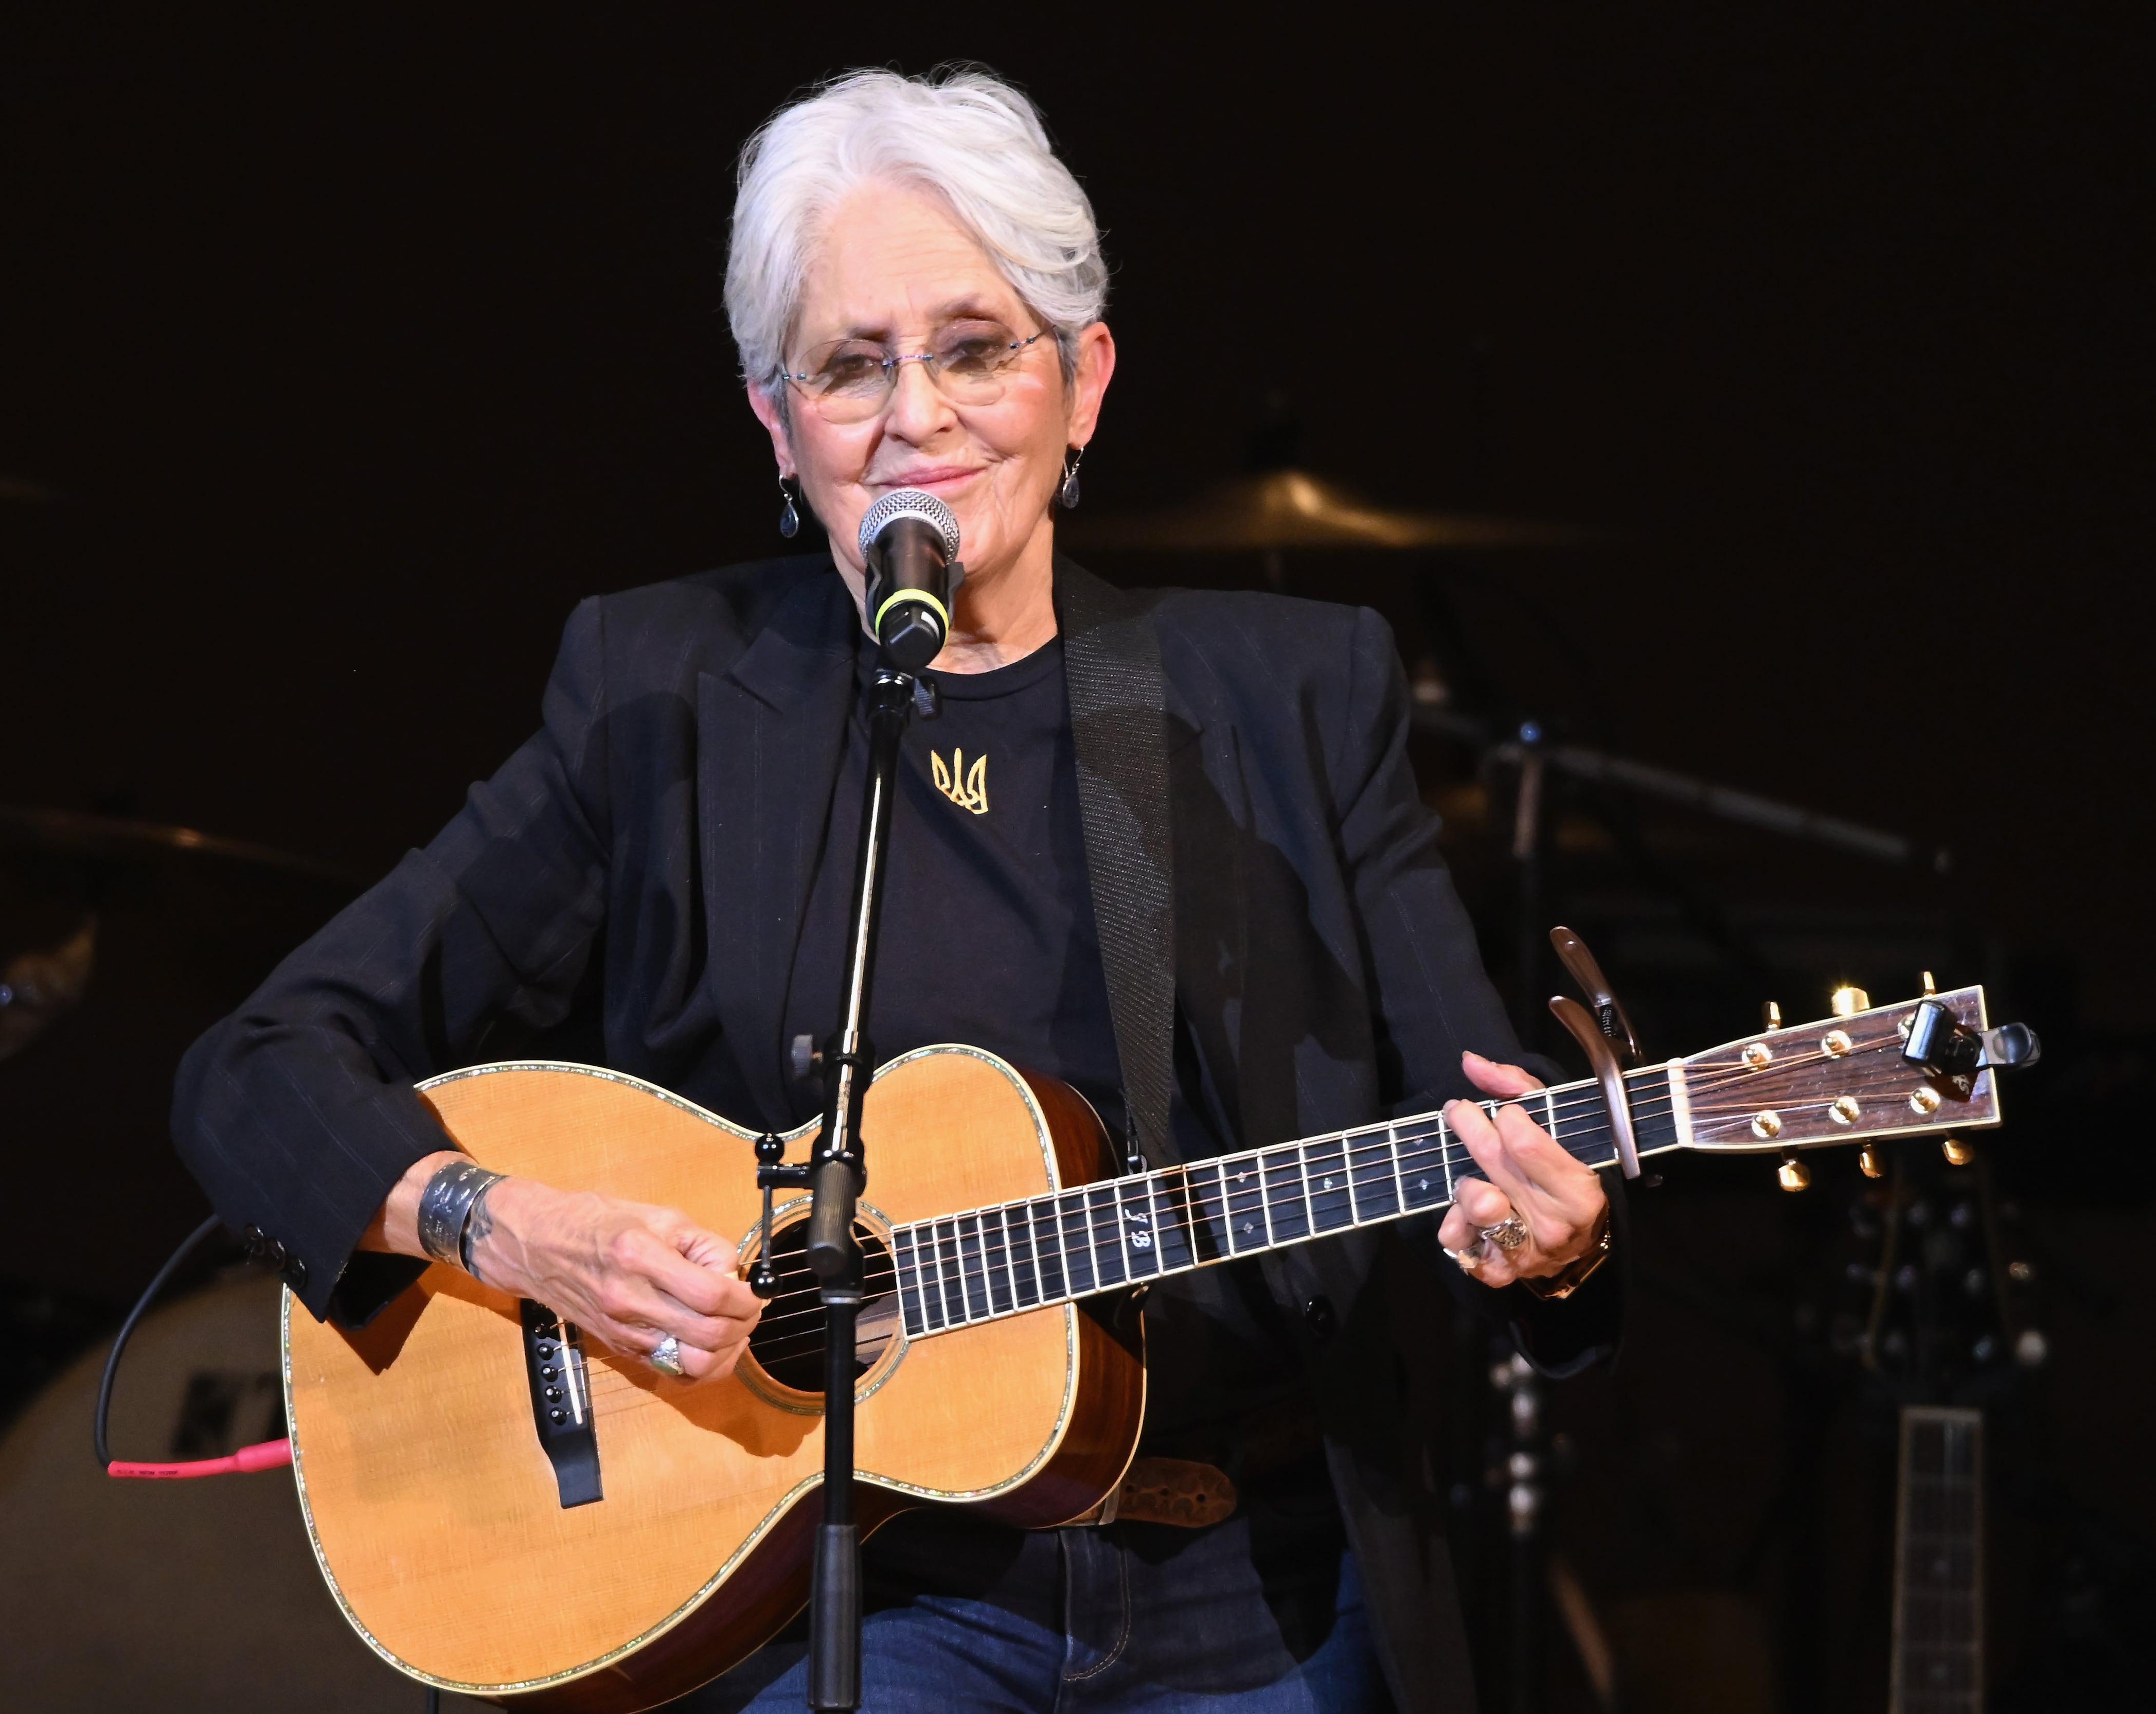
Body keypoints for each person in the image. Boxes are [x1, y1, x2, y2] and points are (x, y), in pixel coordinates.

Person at [174, 67, 1620, 1714]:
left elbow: (1488, 1115)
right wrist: (513, 1227)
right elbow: (259, 1063)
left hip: (1245, 1583)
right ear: (774, 423)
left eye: (975, 346)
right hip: (829, 1585)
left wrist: (1554, 1241)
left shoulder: (1284, 697)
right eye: (851, 366)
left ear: (1085, 381)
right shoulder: (666, 693)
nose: (915, 415)